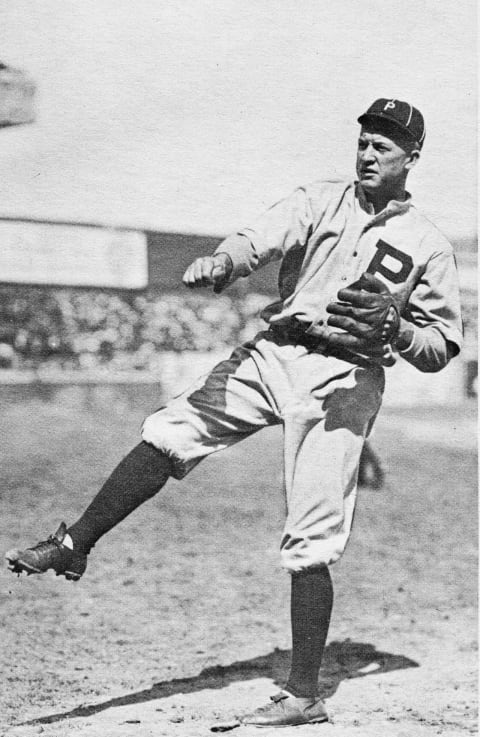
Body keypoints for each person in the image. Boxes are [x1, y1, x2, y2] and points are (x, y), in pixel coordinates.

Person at [5, 98, 463, 727]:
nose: (367, 153)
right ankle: (74, 542)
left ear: (412, 157)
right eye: (362, 140)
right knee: (170, 431)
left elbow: (440, 347)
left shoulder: (429, 245)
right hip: (277, 352)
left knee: (312, 538)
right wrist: (224, 260)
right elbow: (259, 237)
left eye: (383, 145)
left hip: (345, 377)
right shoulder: (322, 198)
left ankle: (303, 696)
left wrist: (401, 334)